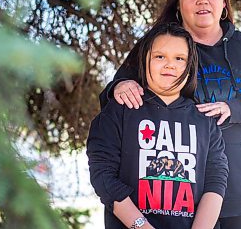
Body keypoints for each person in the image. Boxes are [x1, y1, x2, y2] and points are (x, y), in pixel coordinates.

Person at [100, 0, 241, 229]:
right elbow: (116, 97)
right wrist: (118, 87)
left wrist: (237, 107)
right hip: (178, 195)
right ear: (178, 5)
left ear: (224, 3)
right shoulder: (162, 46)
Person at [87, 23, 229, 229]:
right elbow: (104, 177)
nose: (170, 64)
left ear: (190, 66)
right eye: (160, 56)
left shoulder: (205, 121)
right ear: (145, 61)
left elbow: (216, 181)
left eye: (179, 58)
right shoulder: (120, 111)